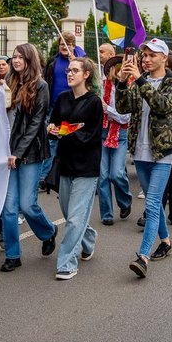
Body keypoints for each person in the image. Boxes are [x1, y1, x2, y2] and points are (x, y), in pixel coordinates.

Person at [115, 39, 172, 279]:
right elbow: (124, 107)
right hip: (140, 151)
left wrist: (140, 80)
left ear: (165, 58)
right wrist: (122, 81)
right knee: (154, 205)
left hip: (163, 151)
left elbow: (163, 105)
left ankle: (142, 257)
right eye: (144, 55)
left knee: (152, 203)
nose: (146, 59)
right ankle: (165, 240)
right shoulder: (137, 79)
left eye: (153, 55)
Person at [1, 44, 58, 272]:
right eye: (13, 56)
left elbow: (36, 124)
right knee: (9, 207)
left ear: (29, 60)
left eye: (20, 57)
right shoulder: (8, 83)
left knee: (27, 204)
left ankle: (49, 231)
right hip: (7, 153)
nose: (15, 60)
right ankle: (12, 255)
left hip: (31, 152)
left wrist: (19, 152)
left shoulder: (41, 86)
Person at [47, 57, 103, 280]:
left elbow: (90, 136)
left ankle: (67, 263)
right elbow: (54, 124)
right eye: (68, 70)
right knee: (70, 214)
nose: (69, 74)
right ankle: (88, 239)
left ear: (86, 75)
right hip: (65, 164)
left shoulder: (94, 102)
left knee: (74, 219)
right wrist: (53, 129)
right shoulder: (62, 98)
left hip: (87, 167)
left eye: (75, 71)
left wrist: (65, 131)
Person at [39, 32, 84, 190]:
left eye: (68, 44)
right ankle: (45, 177)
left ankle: (74, 174)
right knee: (52, 140)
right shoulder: (53, 61)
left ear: (74, 46)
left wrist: (76, 62)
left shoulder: (80, 61)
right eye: (62, 44)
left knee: (71, 139)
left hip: (73, 108)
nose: (65, 47)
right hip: (54, 107)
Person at [97, 55, 132, 226]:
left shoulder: (128, 89)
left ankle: (125, 201)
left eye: (121, 71)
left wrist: (107, 109)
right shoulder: (103, 87)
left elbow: (125, 118)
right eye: (116, 71)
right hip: (102, 133)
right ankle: (106, 214)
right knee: (102, 176)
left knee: (116, 173)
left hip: (120, 134)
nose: (119, 74)